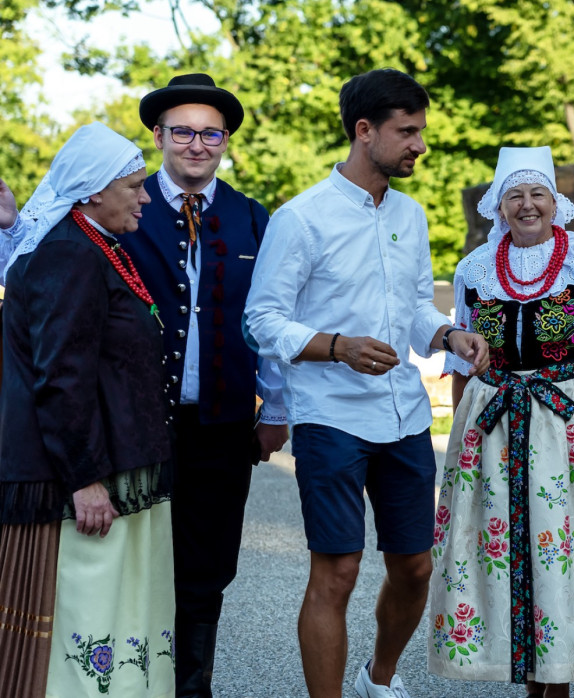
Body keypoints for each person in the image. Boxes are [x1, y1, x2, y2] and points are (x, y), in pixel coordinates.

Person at [244, 68, 489, 698]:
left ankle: (379, 680)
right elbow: (261, 319)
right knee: (338, 572)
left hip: (404, 414)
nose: (419, 146)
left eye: (420, 132)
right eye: (407, 132)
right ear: (364, 131)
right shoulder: (300, 218)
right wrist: (335, 348)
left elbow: (414, 308)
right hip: (328, 416)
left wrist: (447, 336)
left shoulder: (411, 213)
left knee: (414, 567)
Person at [115, 73, 290, 697]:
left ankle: (193, 689)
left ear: (224, 141)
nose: (197, 144)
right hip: (136, 422)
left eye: (210, 132)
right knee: (132, 560)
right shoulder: (122, 205)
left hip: (221, 422)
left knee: (208, 567)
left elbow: (271, 320)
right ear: (159, 136)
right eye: (183, 131)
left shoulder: (252, 217)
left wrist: (276, 408)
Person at [428, 146, 574, 698]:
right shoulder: (475, 269)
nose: (527, 205)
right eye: (516, 195)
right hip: (492, 426)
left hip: (566, 420)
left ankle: (559, 682)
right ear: (499, 206)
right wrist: (461, 441)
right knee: (498, 548)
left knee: (562, 547)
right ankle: (524, 679)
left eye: (538, 194)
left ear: (556, 202)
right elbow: (463, 360)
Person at [0, 122, 174, 697]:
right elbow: (60, 380)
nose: (147, 197)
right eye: (134, 186)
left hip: (121, 467)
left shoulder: (95, 244)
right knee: (91, 608)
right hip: (88, 480)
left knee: (124, 608)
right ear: (94, 190)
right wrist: (87, 481)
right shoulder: (67, 254)